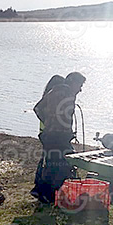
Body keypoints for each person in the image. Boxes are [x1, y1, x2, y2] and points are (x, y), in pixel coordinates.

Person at [31, 72, 86, 203]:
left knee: (51, 164)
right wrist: (60, 127)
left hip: (50, 134)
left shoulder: (54, 90)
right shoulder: (67, 93)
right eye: (80, 85)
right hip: (59, 136)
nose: (80, 89)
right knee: (60, 165)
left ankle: (43, 193)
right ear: (73, 82)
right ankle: (49, 195)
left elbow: (38, 108)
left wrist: (48, 122)